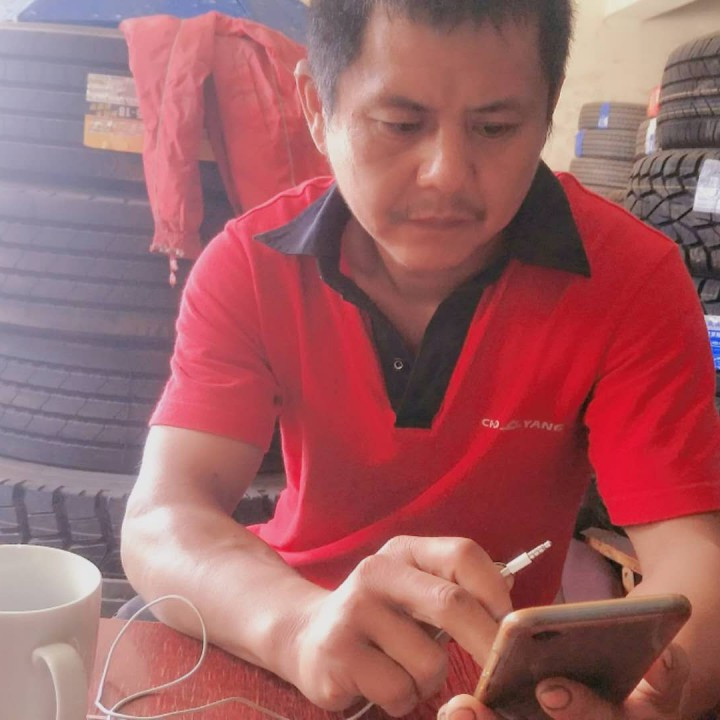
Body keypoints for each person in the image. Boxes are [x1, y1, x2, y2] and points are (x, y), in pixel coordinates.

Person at [121, 1, 720, 718]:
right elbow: (164, 514)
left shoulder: (630, 280)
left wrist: (649, 701)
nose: (446, 175)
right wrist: (298, 626)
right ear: (315, 106)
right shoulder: (249, 267)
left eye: (495, 128)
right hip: (286, 639)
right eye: (400, 124)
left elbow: (694, 556)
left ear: (547, 110)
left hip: (500, 678)